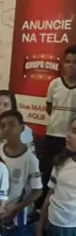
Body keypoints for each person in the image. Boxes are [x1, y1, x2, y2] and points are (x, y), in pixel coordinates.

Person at [37, 117, 76, 236]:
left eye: (74, 132)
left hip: (72, 229)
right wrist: (39, 231)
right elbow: (49, 197)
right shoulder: (61, 162)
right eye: (70, 130)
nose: (67, 136)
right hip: (53, 225)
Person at [0, 110, 43, 236]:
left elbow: (38, 190)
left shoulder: (30, 159)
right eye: (3, 126)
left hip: (17, 209)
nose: (7, 129)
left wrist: (17, 208)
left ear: (22, 128)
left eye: (12, 124)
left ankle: (31, 228)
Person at [43, 46, 76, 185]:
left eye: (75, 62)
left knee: (66, 171)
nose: (71, 65)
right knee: (48, 169)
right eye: (68, 61)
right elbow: (49, 108)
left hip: (71, 138)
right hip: (53, 134)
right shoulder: (55, 84)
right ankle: (44, 197)